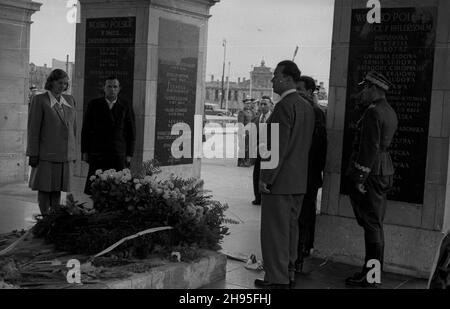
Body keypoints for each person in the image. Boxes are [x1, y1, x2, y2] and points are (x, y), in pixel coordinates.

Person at [255, 61, 315, 288]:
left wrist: (265, 179)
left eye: (276, 76)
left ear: (287, 79)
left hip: (279, 183)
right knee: (291, 231)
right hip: (298, 181)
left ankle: (276, 279)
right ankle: (288, 273)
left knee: (274, 233)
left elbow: (276, 148)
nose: (272, 80)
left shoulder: (283, 107)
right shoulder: (306, 106)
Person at [345, 71, 398, 287]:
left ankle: (372, 277)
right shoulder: (388, 111)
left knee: (372, 225)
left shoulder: (373, 112)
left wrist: (360, 177)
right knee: (373, 224)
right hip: (382, 169)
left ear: (375, 88)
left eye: (365, 88)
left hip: (372, 172)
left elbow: (369, 147)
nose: (362, 92)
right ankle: (370, 273)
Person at [26, 69, 77, 215]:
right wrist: (32, 153)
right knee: (45, 189)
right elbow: (33, 129)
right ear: (51, 82)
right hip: (45, 155)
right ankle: (45, 218)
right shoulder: (40, 100)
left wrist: (73, 153)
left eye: (65, 83)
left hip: (65, 155)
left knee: (57, 189)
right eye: (60, 83)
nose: (63, 86)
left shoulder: (70, 100)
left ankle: (53, 219)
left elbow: (74, 129)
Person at [81, 76, 136, 195]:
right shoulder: (94, 104)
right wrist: (84, 151)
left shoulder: (125, 106)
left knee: (119, 188)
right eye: (109, 86)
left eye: (115, 86)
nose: (112, 89)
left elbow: (131, 131)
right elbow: (86, 129)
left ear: (119, 89)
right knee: (96, 187)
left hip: (118, 152)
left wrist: (129, 154)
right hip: (98, 152)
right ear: (104, 88)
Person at [295, 76, 327, 272]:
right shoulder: (299, 109)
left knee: (305, 216)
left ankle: (301, 252)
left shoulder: (316, 112)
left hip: (308, 175)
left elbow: (319, 148)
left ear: (309, 91)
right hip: (300, 174)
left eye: (300, 89)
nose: (297, 92)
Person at [251, 96, 273, 205]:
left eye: (265, 104)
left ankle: (266, 196)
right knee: (257, 174)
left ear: (271, 105)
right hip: (258, 151)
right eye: (261, 104)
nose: (263, 106)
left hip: (270, 151)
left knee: (267, 174)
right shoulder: (256, 118)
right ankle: (257, 197)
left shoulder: (274, 117)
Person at [237, 98, 255, 167]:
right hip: (244, 132)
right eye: (247, 104)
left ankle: (247, 161)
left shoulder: (252, 112)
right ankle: (241, 162)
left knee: (249, 147)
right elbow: (240, 123)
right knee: (243, 147)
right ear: (244, 104)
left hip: (251, 132)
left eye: (249, 104)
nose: (248, 105)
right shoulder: (242, 112)